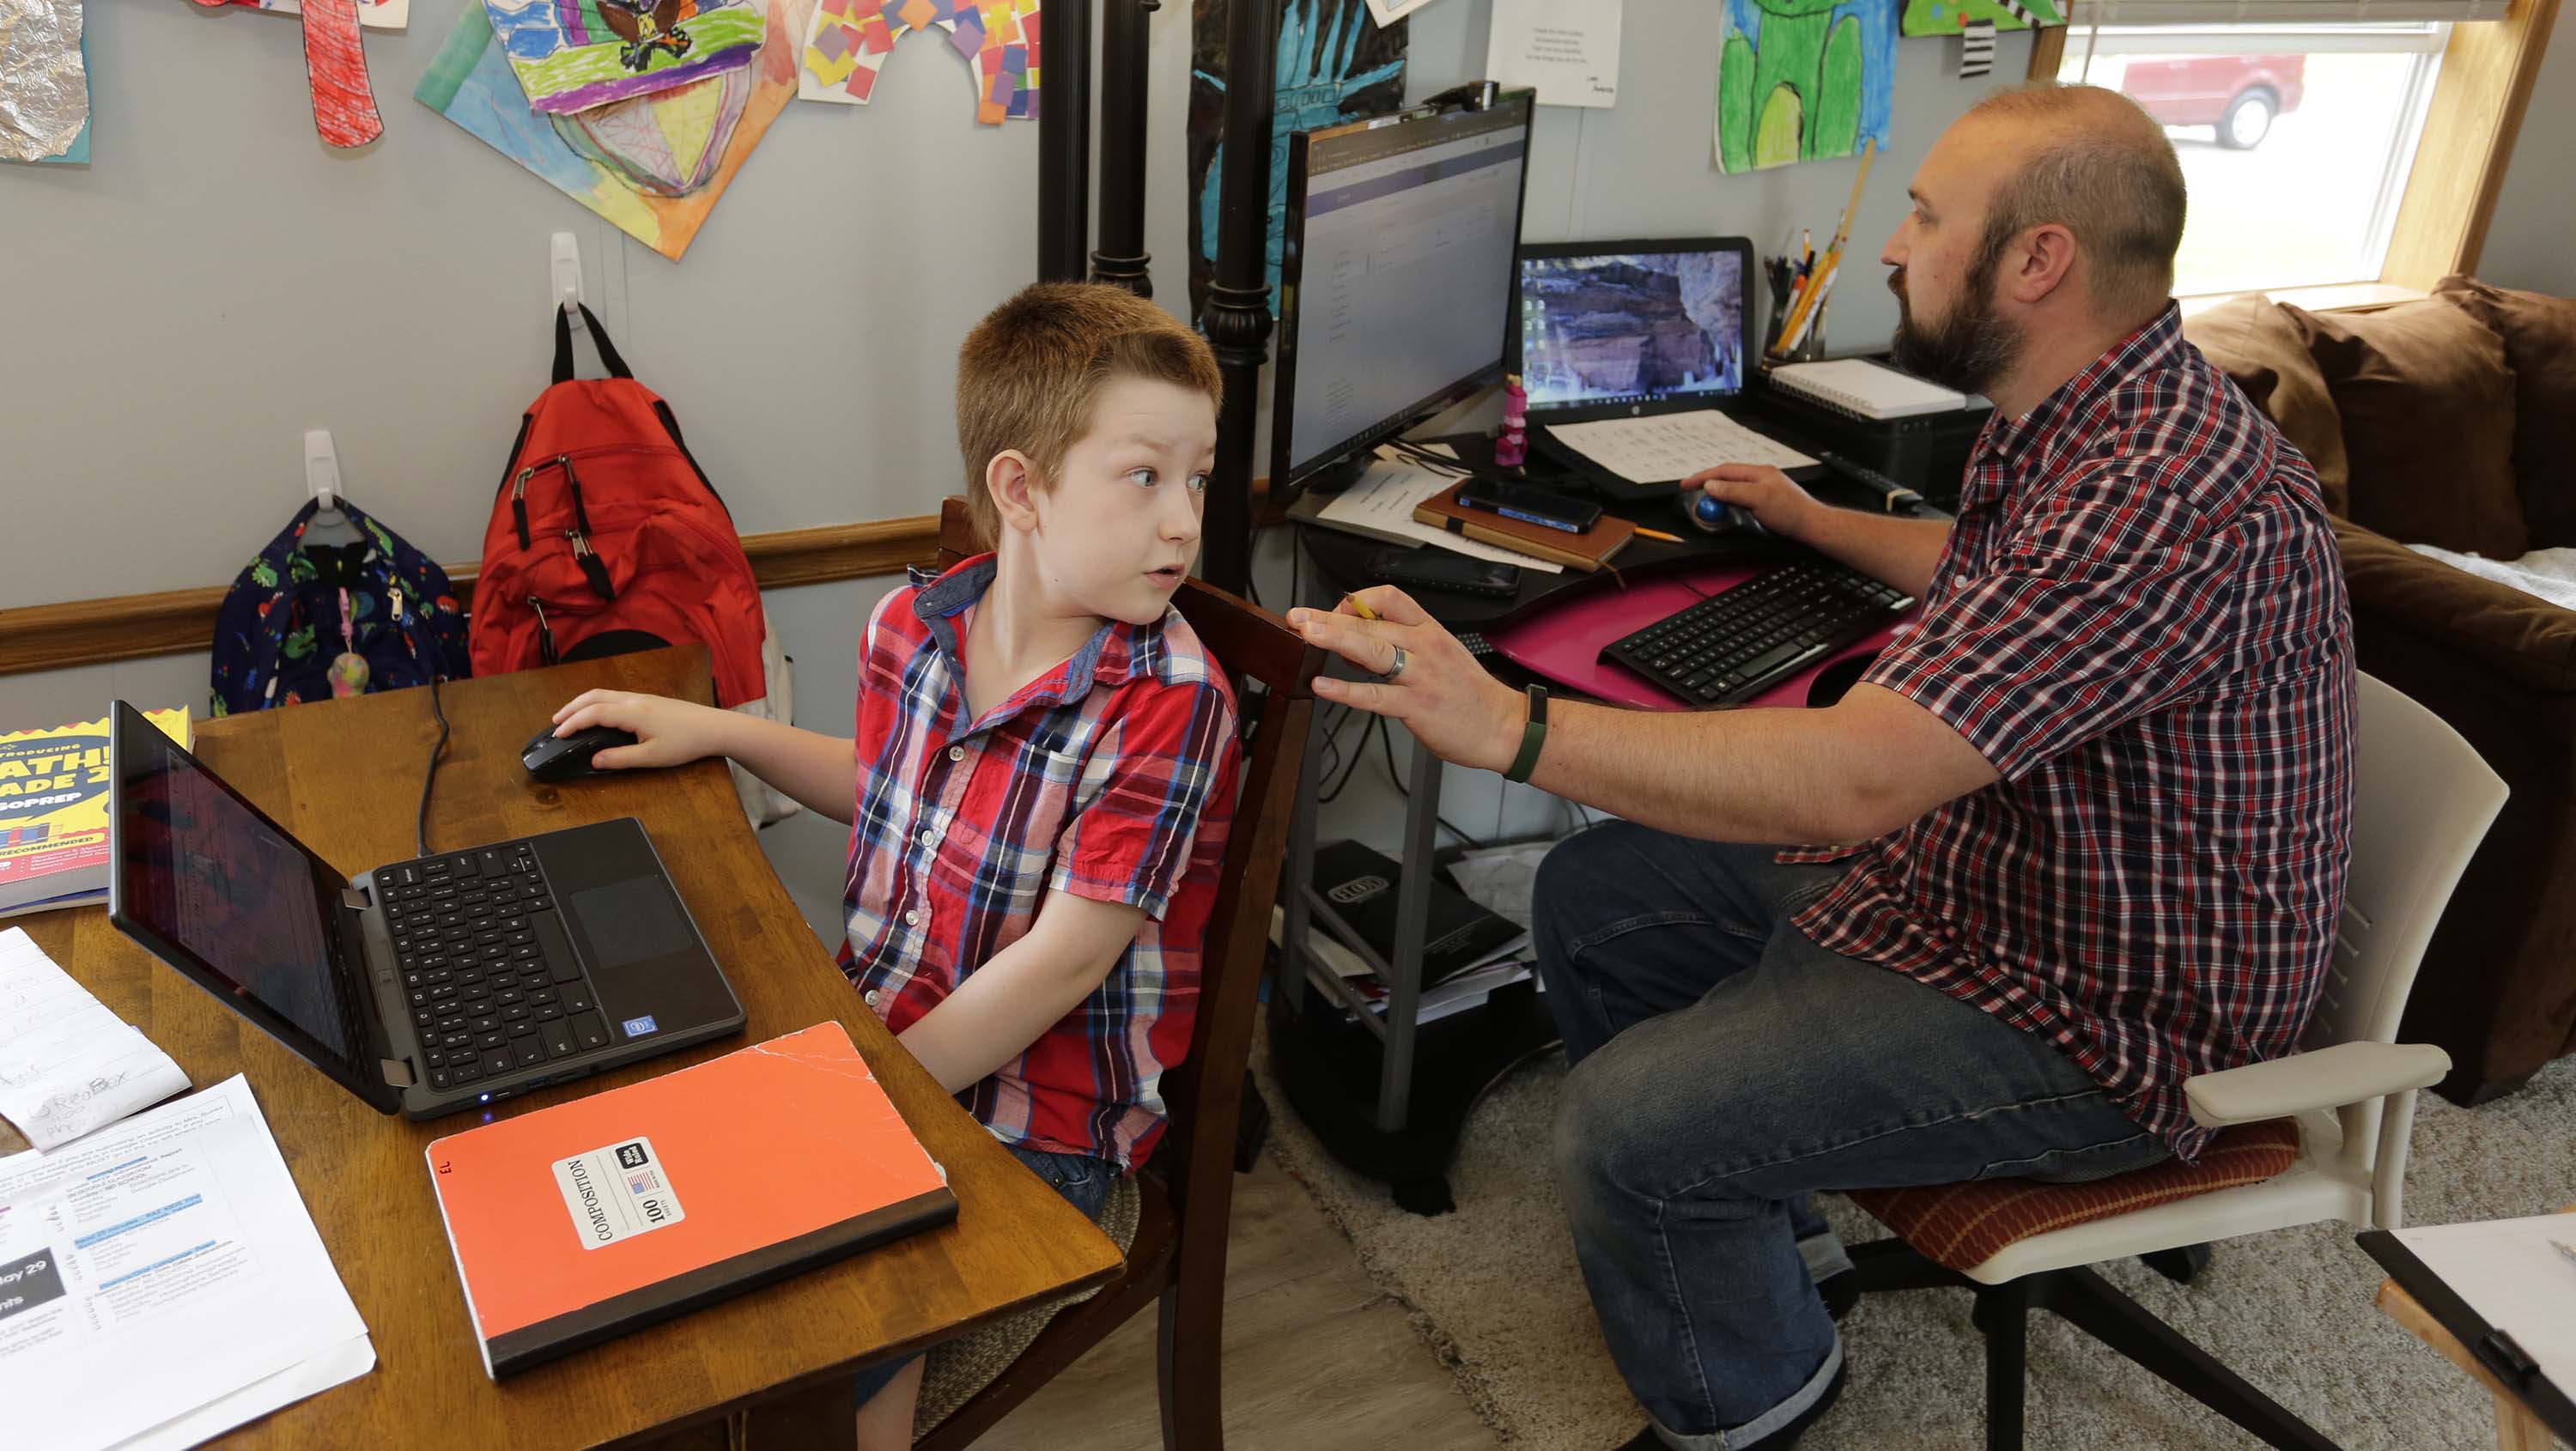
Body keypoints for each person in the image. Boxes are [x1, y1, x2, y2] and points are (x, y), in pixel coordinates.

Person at [1285, 83, 2354, 1451]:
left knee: (1622, 1129)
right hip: (1992, 883)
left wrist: (1510, 726)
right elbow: (2000, 580)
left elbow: (1858, 779)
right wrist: (1815, 515)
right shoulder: (2080, 409)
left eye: (1923, 215)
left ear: (2040, 262)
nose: (1896, 249)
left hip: (2112, 1020)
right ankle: (1776, 1241)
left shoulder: (2165, 498)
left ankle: (1757, 1406)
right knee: (1599, 898)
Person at [546, 282, 1242, 1448]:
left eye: (1199, 480)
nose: (1184, 521)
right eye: (1144, 476)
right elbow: (893, 786)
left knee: (832, 1307)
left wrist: (852, 1105)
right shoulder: (908, 629)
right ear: (1019, 490)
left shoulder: (1171, 705)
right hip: (879, 1032)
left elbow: (1065, 963)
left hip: (1038, 1120)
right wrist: (728, 732)